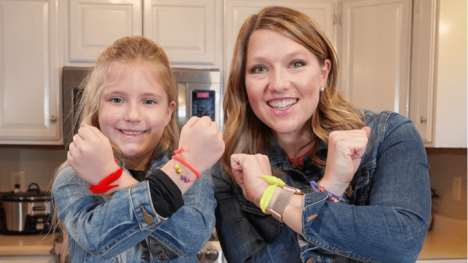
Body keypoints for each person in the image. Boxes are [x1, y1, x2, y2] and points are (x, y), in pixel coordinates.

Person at [211, 6, 431, 263]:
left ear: (323, 74)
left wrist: (271, 197)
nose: (278, 84)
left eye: (296, 64)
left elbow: (402, 245)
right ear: (243, 82)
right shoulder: (229, 166)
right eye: (260, 68)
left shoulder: (388, 136)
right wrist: (330, 189)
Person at [52, 36, 224, 262]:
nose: (132, 116)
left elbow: (190, 239)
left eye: (149, 101)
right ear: (97, 107)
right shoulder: (73, 177)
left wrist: (112, 178)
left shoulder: (194, 172)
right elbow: (97, 239)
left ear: (168, 113)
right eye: (116, 99)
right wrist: (178, 174)